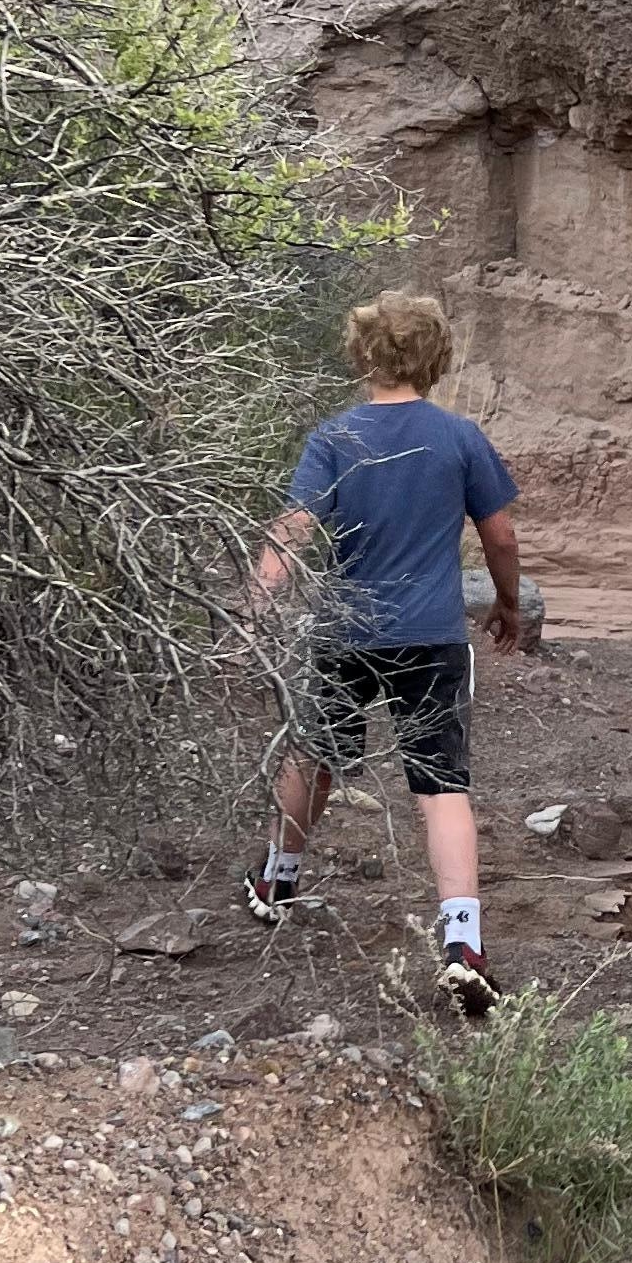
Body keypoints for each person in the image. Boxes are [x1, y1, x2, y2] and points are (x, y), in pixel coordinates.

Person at [246, 290, 524, 1019]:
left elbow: (293, 528)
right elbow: (500, 535)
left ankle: (278, 878)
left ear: (361, 354)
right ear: (437, 358)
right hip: (431, 635)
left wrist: (255, 603)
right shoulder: (459, 437)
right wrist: (508, 602)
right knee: (443, 787)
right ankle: (463, 944)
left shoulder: (335, 437)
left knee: (314, 754)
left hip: (346, 631)